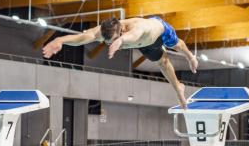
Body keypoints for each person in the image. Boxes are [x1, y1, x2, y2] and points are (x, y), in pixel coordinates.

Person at [42, 16, 198, 108]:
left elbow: (136, 35)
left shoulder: (137, 27)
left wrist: (121, 41)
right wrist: (60, 40)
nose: (109, 44)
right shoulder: (105, 31)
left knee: (176, 45)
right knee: (163, 62)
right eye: (107, 42)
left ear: (122, 30)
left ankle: (191, 57)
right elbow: (82, 38)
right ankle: (178, 87)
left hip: (158, 32)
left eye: (113, 41)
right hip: (146, 45)